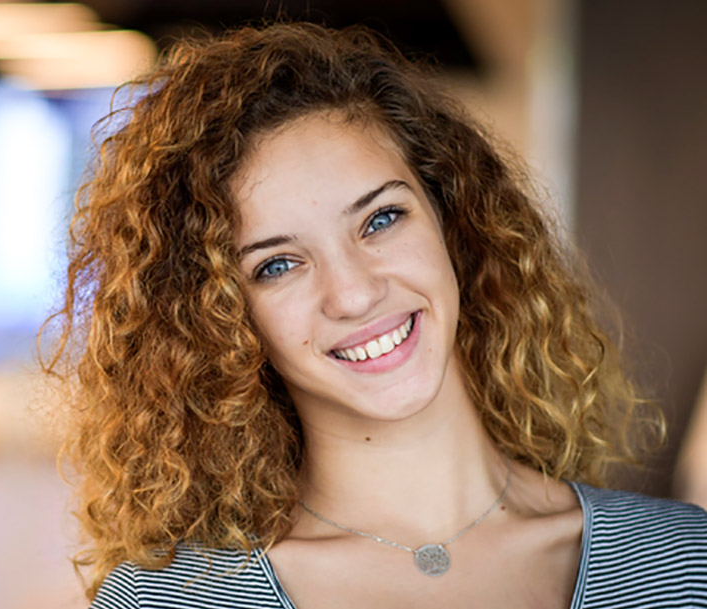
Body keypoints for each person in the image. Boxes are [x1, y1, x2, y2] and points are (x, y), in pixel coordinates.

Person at [42, 23, 707, 608]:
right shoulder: (174, 603)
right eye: (277, 264)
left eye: (381, 219)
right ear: (220, 320)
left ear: (456, 222)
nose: (354, 293)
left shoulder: (686, 564)